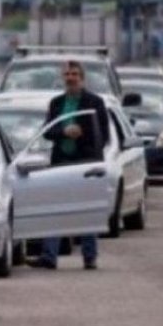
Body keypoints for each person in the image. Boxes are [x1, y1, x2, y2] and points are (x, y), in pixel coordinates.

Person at [28, 60, 109, 271]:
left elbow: (104, 135)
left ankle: (89, 256)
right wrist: (64, 132)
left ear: (82, 78)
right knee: (54, 208)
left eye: (74, 74)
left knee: (86, 209)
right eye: (67, 74)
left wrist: (82, 134)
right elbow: (47, 131)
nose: (71, 78)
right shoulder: (56, 103)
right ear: (63, 78)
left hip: (85, 163)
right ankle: (49, 256)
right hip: (61, 162)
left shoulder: (95, 103)